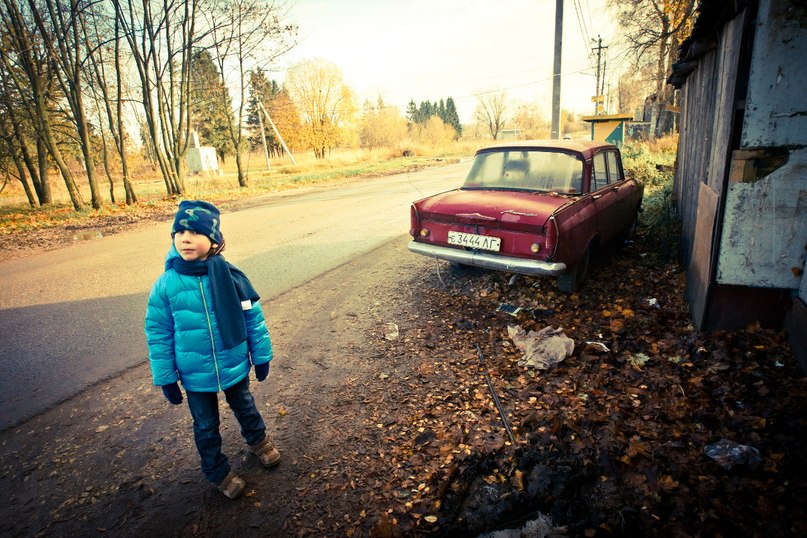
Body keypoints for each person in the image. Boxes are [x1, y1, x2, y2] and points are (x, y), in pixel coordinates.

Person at [145, 200, 280, 499]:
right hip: (195, 375)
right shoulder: (166, 285)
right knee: (206, 425)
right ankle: (217, 471)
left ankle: (259, 442)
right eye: (179, 231)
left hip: (233, 362)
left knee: (245, 405)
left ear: (214, 240)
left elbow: (252, 318)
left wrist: (261, 355)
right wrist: (166, 376)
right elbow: (158, 333)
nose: (185, 238)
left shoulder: (231, 276)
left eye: (194, 231)